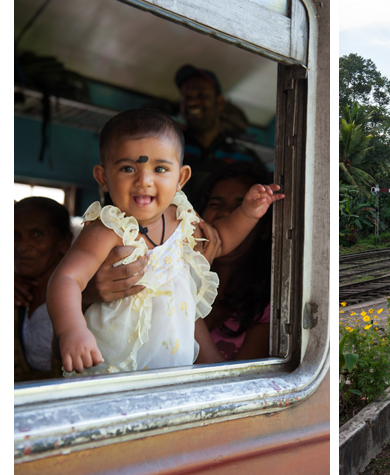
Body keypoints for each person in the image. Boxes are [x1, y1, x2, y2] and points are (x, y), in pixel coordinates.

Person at [46, 109, 284, 375]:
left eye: (160, 169)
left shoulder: (182, 219)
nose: (144, 181)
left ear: (181, 178)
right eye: (128, 168)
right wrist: (72, 329)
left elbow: (221, 238)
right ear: (103, 178)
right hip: (112, 370)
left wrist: (248, 213)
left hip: (172, 372)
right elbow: (66, 279)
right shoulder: (108, 230)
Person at [193, 162, 273, 361]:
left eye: (241, 207)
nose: (225, 213)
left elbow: (228, 386)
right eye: (215, 204)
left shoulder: (269, 311)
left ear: (264, 229)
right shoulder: (169, 265)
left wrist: (180, 295)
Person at [174, 64, 263, 200]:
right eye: (187, 97)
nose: (193, 103)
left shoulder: (246, 158)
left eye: (202, 95)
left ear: (220, 102)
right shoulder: (171, 148)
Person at [14, 197, 73, 379]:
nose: (22, 247)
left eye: (37, 234)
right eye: (14, 235)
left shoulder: (80, 299)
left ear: (64, 242)